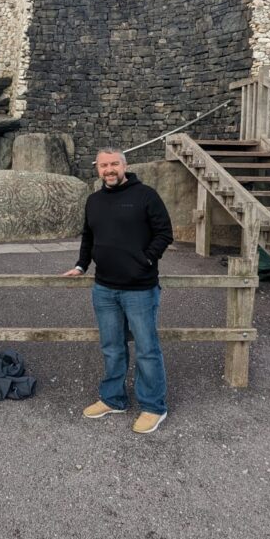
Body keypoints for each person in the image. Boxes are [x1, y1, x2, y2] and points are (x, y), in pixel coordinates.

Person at [63, 148, 174, 434]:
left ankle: (153, 406)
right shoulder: (94, 201)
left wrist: (146, 259)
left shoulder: (146, 195)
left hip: (140, 289)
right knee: (112, 348)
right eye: (103, 165)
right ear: (97, 169)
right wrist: (80, 265)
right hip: (104, 288)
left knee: (147, 350)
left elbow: (164, 233)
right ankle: (114, 399)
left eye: (114, 164)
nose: (109, 169)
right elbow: (89, 236)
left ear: (124, 166)